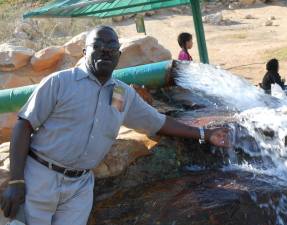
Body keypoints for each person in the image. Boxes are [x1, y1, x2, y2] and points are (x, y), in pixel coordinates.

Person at [0, 26, 229, 225]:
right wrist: (17, 180)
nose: (105, 50)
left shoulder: (122, 94)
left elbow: (157, 122)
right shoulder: (59, 83)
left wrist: (204, 134)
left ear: (118, 55)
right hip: (41, 177)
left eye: (111, 47)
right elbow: (24, 125)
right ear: (85, 51)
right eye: (98, 45)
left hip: (79, 187)